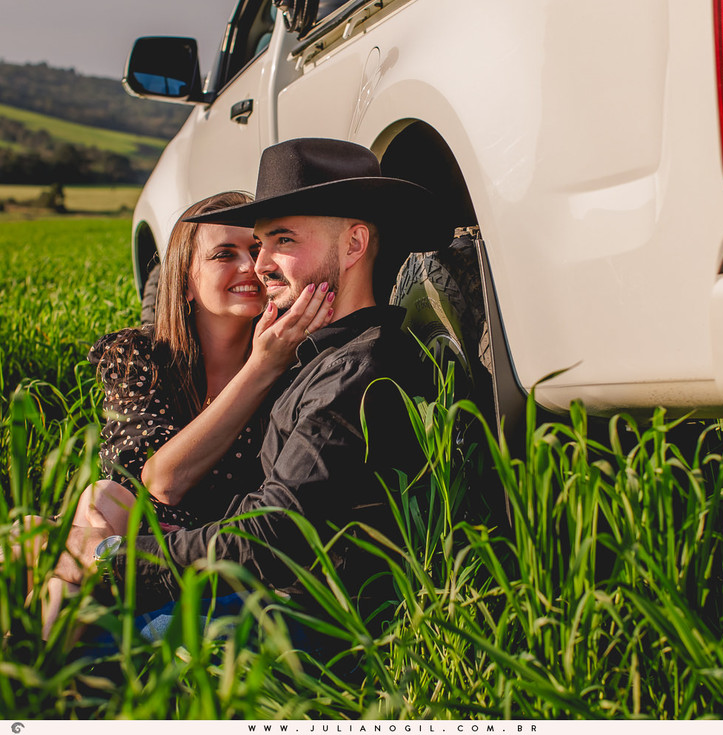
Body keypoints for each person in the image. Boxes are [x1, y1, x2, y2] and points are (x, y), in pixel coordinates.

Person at [22, 138, 443, 644]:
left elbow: (270, 533)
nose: (259, 265)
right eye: (257, 244)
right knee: (46, 562)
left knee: (66, 606)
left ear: (354, 245)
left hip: (286, 616)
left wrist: (106, 559)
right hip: (245, 584)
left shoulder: (356, 369)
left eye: (281, 241)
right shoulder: (312, 358)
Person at [34, 190, 333, 639]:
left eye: (255, 250)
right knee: (104, 498)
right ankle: (30, 655)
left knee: (76, 532)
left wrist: (269, 363)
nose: (250, 267)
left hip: (212, 552)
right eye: (223, 254)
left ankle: (33, 656)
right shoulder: (142, 358)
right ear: (186, 282)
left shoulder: (293, 363)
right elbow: (157, 481)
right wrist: (259, 368)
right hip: (130, 536)